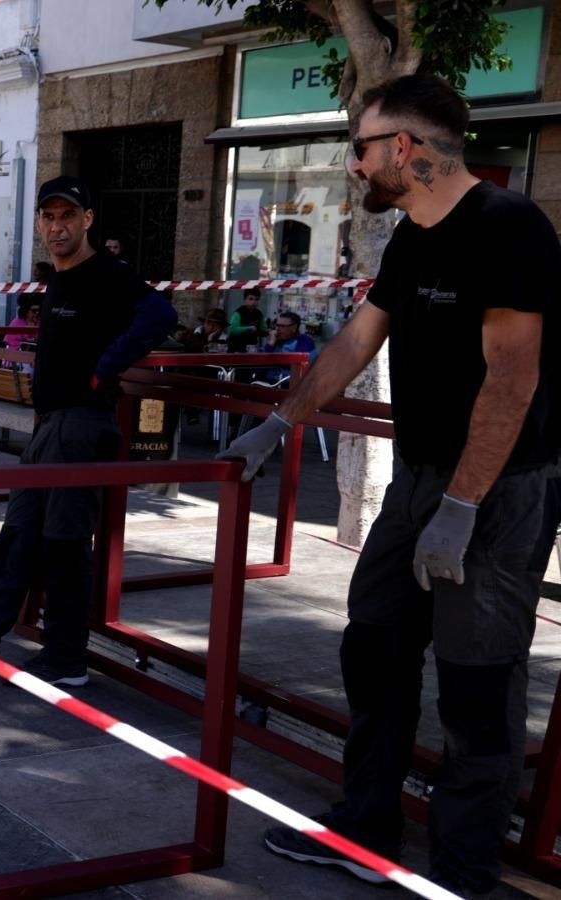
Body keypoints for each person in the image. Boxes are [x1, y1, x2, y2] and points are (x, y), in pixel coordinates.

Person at [228, 74, 561, 895]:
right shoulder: (411, 238)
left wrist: (461, 505)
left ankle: (462, 871)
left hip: (501, 491)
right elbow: (352, 345)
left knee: (479, 686)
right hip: (417, 481)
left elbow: (512, 380)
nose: (355, 164)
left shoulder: (509, 228)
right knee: (373, 649)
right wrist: (280, 422)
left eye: (361, 147)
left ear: (404, 149)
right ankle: (366, 824)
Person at [0, 174, 176, 689]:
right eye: (49, 217)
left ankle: (61, 658)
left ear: (88, 220)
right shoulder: (60, 278)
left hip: (80, 423)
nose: (58, 226)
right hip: (51, 425)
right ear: (38, 223)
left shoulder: (105, 273)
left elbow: (161, 313)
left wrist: (107, 365)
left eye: (68, 216)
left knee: (62, 542)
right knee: (22, 538)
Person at [227, 287, 267, 352]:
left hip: (251, 348)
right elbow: (233, 329)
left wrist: (269, 332)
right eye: (251, 299)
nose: (254, 302)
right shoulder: (239, 312)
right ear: (245, 299)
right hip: (235, 348)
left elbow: (262, 330)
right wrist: (249, 328)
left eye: (256, 299)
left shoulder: (258, 314)